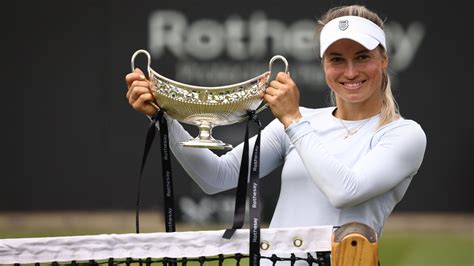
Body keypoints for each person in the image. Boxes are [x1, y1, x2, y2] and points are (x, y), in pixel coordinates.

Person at [125, 4, 426, 241]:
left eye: (362, 57)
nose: (350, 72)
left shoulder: (404, 134)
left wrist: (293, 119)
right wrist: (162, 117)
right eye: (336, 59)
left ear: (383, 60)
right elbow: (216, 177)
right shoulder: (301, 122)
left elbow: (345, 191)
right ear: (323, 64)